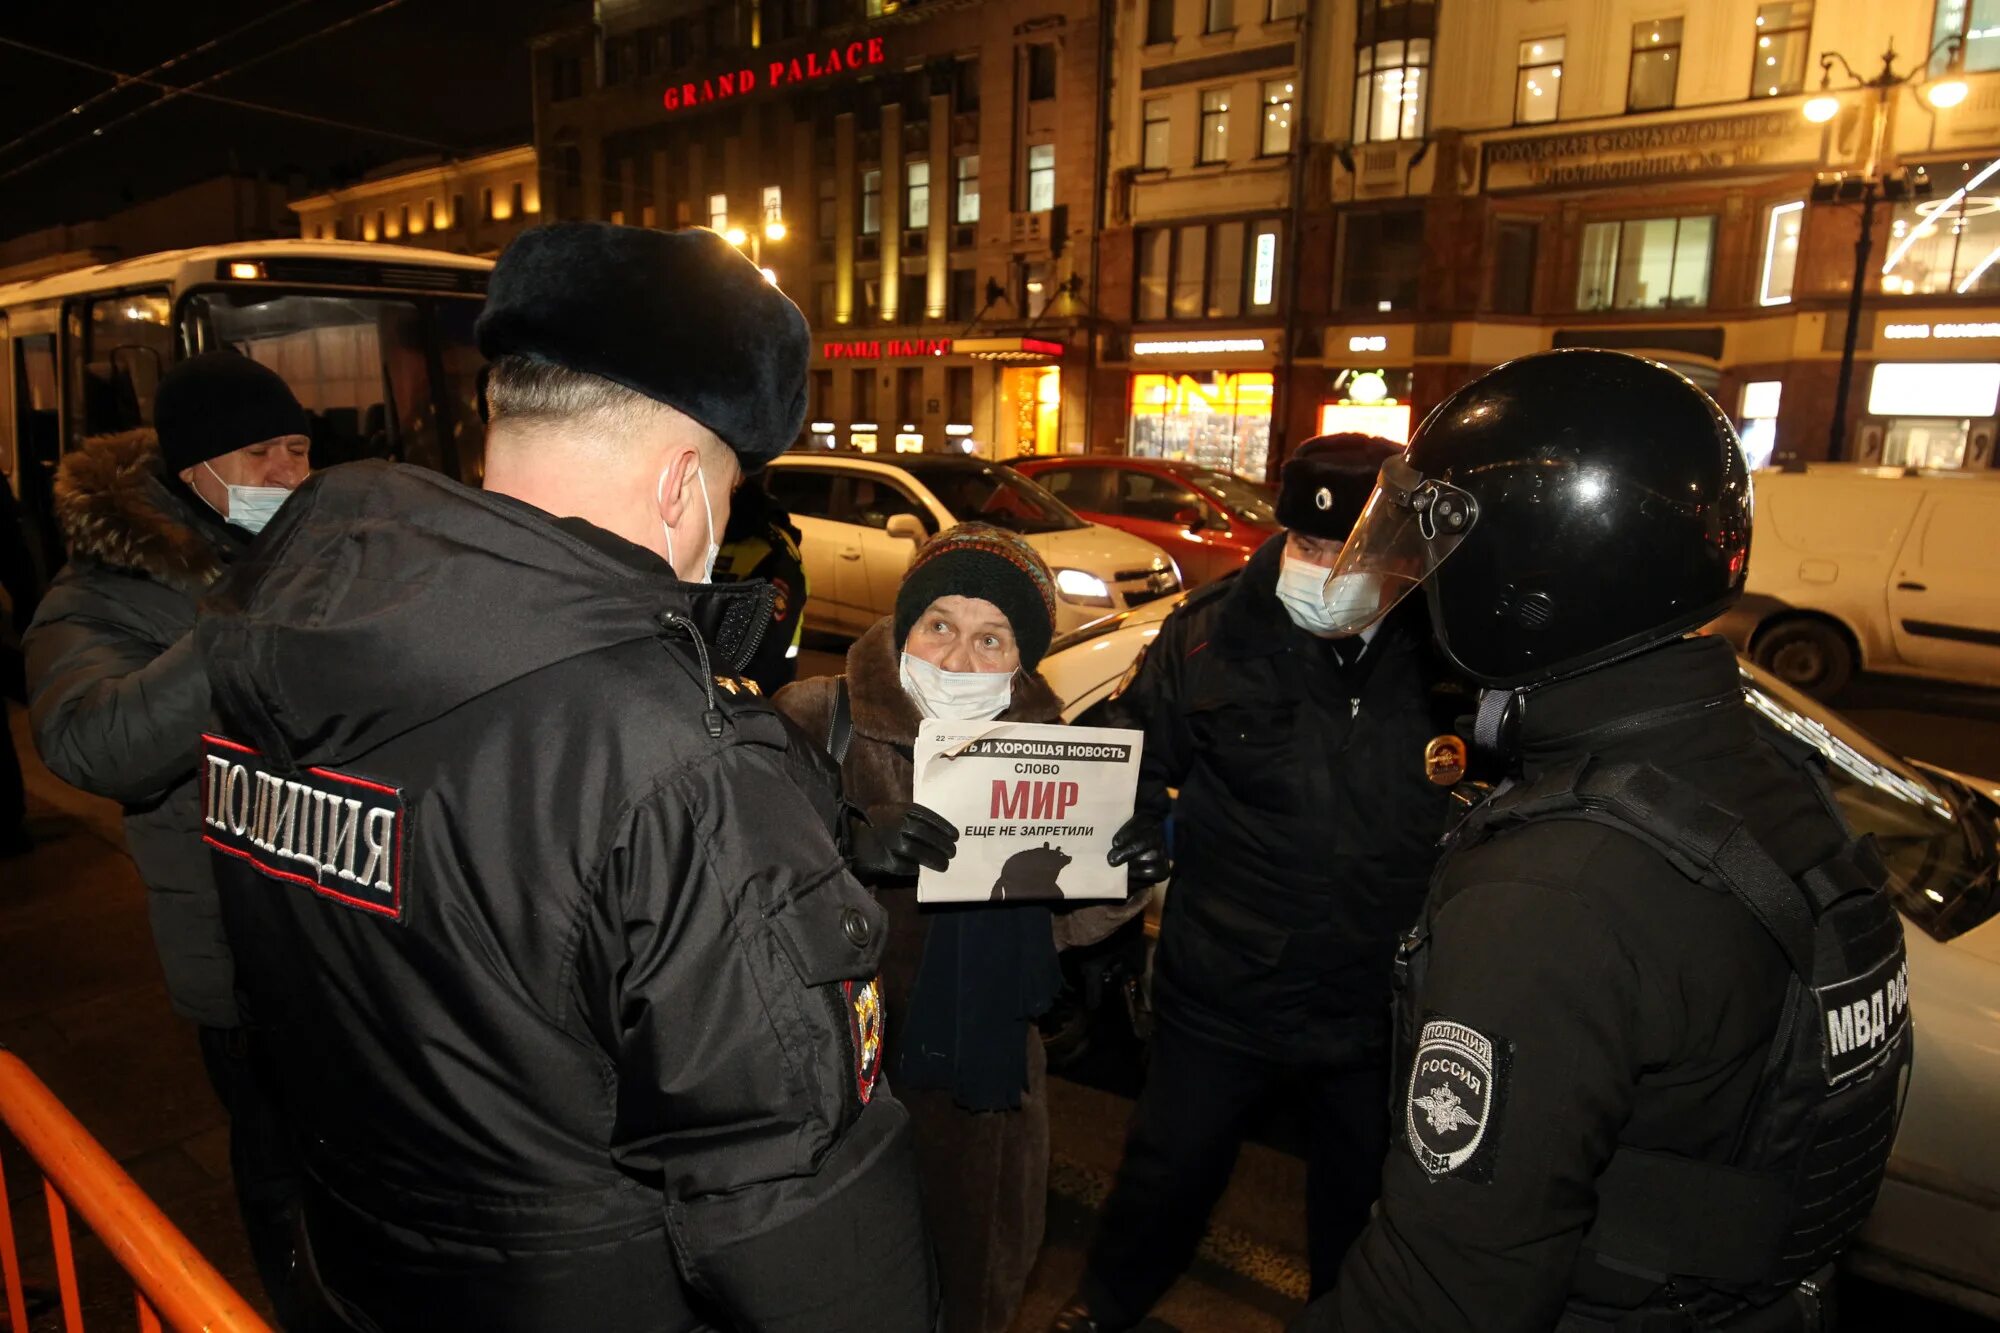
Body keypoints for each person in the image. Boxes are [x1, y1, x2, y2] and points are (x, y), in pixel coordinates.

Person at [196, 222, 935, 1333]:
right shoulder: (671, 760)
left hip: (359, 1272)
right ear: (687, 482)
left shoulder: (282, 636)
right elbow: (794, 1201)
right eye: (732, 495)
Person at [1295, 349, 1911, 1331]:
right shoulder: (1758, 775)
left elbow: (1442, 1292)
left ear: (1523, 584)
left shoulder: (1554, 892)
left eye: (1443, 549)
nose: (1420, 585)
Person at [1052, 436, 1465, 1333]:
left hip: (1375, 1004)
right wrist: (1130, 830)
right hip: (1224, 985)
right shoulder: (1208, 635)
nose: (1316, 570)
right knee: (1167, 1171)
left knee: (1359, 1206)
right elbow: (1124, 763)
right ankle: (1104, 1305)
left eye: (1341, 553)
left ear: (1396, 553)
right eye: (1303, 545)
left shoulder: (1450, 659)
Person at [774, 523, 1169, 1333]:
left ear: (1022, 656)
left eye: (992, 637)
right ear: (905, 623)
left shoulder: (1050, 754)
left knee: (969, 1295)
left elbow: (1054, 929)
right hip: (830, 1086)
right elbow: (738, 893)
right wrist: (846, 849)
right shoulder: (816, 720)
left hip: (981, 1101)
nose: (957, 658)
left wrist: (1120, 878)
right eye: (940, 624)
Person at [24, 350, 312, 1314]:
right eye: (262, 450)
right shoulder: (100, 590)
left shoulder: (295, 548)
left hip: (352, 930)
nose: (288, 472)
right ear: (194, 469)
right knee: (286, 1181)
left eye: (299, 447)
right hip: (241, 956)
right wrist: (239, 631)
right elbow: (88, 741)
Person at [716, 475, 808, 695]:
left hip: (762, 686)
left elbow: (771, 642)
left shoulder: (774, 552)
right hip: (716, 678)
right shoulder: (722, 536)